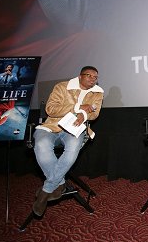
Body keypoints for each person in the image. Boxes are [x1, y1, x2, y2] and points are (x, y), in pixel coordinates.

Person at [32, 66, 103, 216]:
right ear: (79, 76)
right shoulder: (62, 87)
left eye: (95, 77)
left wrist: (83, 115)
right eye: (88, 75)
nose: (92, 79)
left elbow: (94, 114)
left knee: (72, 149)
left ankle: (47, 189)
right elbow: (51, 109)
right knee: (41, 145)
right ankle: (60, 183)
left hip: (75, 129)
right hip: (52, 126)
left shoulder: (97, 92)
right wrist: (77, 107)